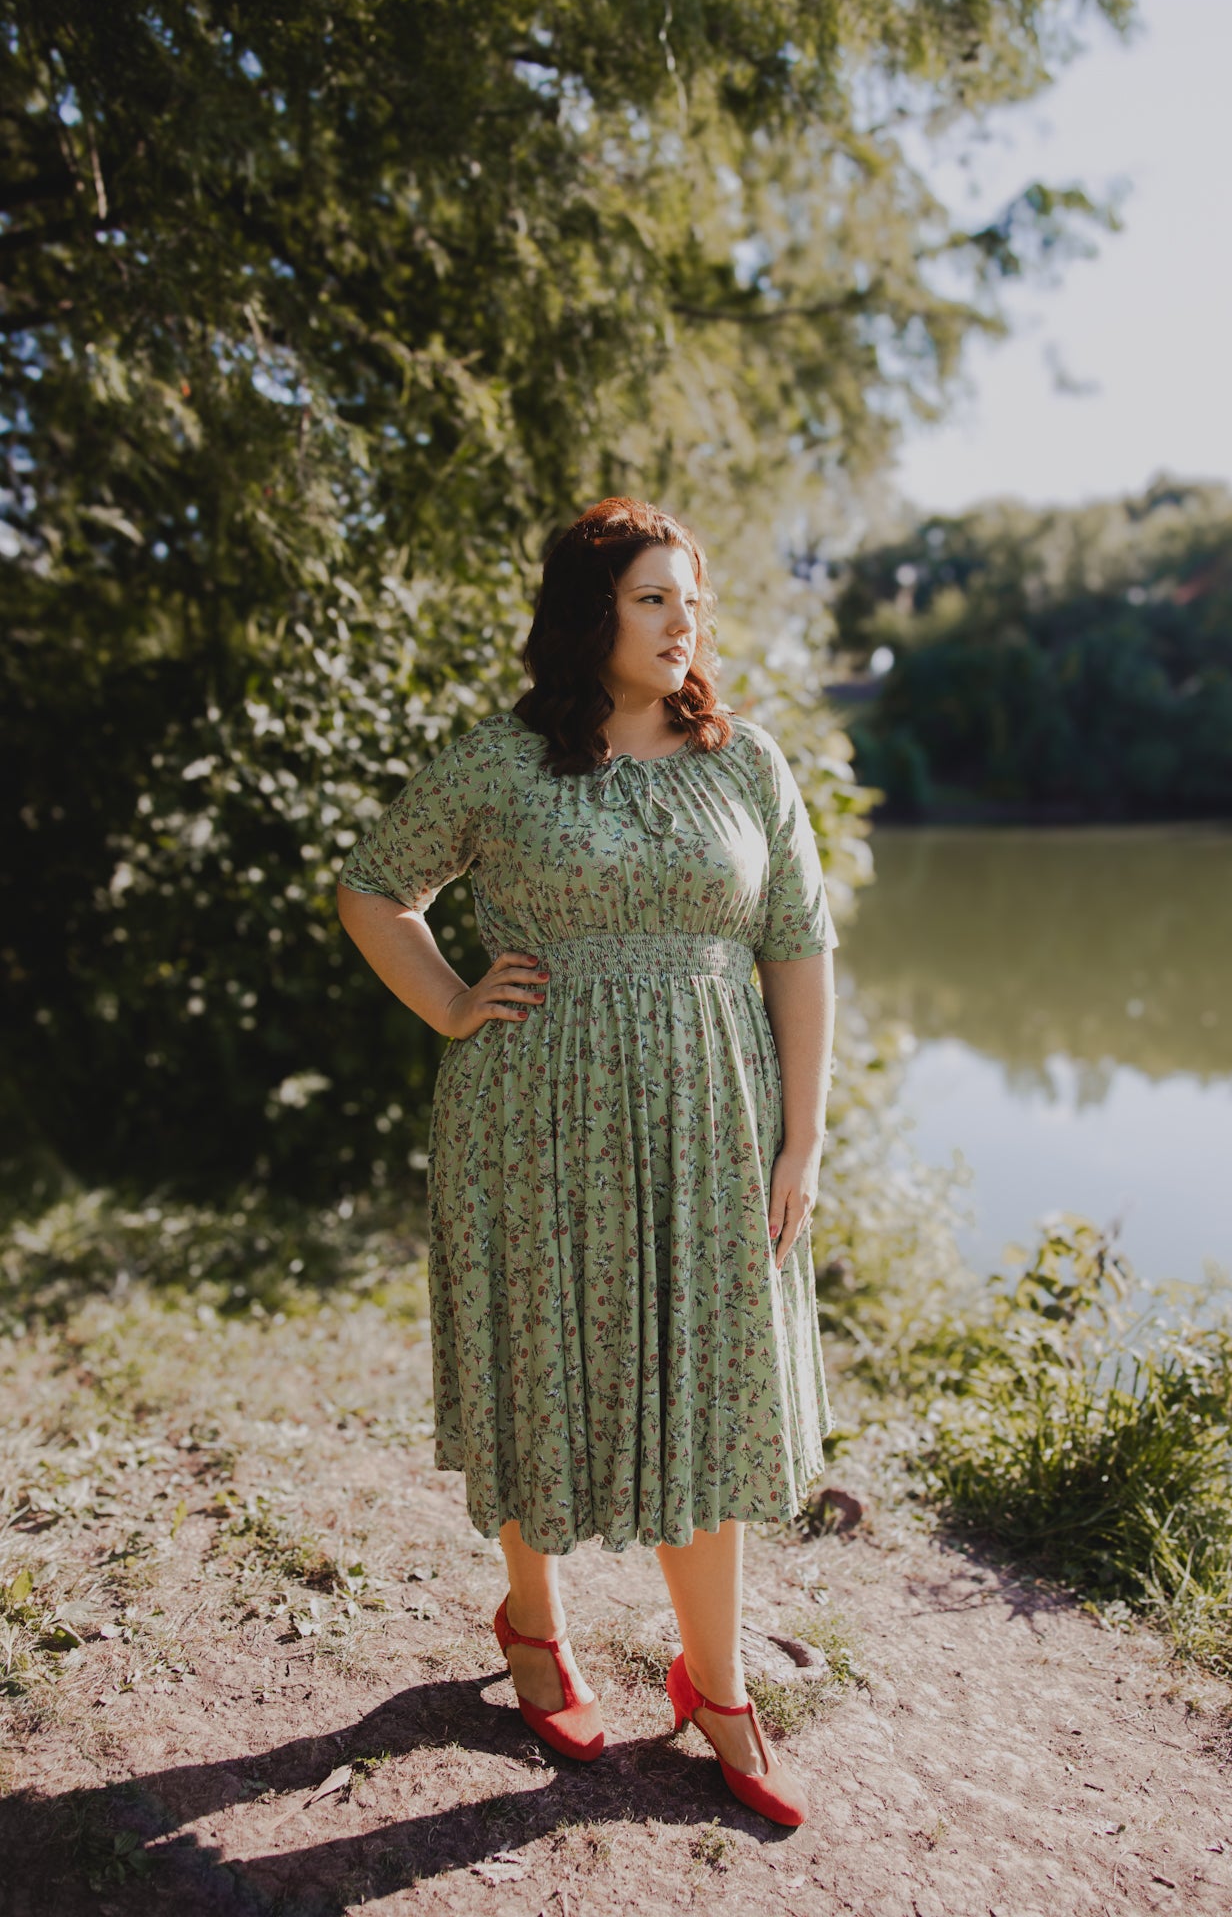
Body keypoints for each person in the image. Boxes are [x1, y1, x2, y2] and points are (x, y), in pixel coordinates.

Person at [336, 497, 837, 1827]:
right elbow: (373, 885)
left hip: (714, 1123)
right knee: (546, 1362)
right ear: (588, 616)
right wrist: (448, 1001)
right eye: (653, 600)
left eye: (692, 601)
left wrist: (804, 1134)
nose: (685, 625)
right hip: (533, 1117)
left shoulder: (748, 764)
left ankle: (716, 1686)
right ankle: (535, 1629)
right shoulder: (502, 764)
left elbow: (797, 946)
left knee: (707, 1384)